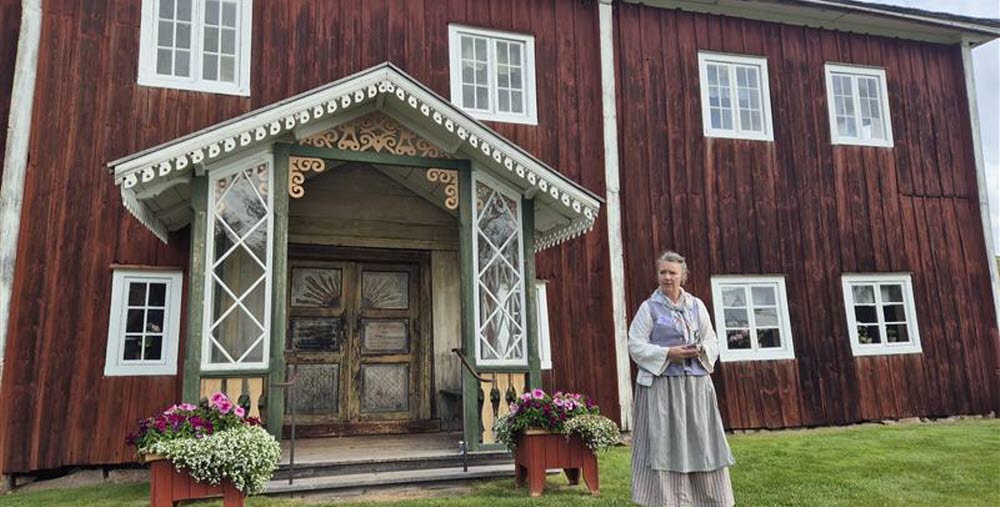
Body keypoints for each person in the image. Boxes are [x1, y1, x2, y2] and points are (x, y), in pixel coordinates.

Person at [629, 250, 735, 507]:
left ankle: (709, 500)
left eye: (672, 273)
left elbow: (712, 339)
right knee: (664, 444)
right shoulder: (649, 308)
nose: (667, 277)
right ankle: (667, 501)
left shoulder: (696, 306)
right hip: (662, 389)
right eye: (662, 272)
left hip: (695, 387)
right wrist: (668, 353)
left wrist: (701, 350)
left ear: (682, 276)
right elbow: (635, 345)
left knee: (702, 441)